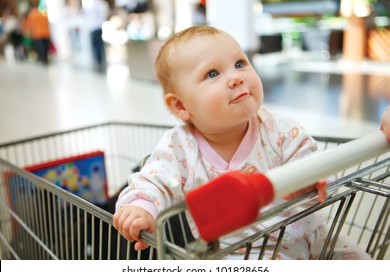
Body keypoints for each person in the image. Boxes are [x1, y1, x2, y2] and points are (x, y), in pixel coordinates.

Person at [113, 26, 370, 259]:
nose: (236, 77)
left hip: (312, 233)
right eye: (212, 73)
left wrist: (308, 178)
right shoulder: (179, 147)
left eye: (240, 63)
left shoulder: (278, 128)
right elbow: (152, 181)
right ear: (181, 105)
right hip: (244, 253)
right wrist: (141, 208)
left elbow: (311, 159)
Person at [83, 0, 109, 71]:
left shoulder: (101, 4)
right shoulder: (91, 4)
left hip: (98, 27)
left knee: (98, 45)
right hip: (92, 28)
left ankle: (99, 61)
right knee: (96, 45)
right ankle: (98, 61)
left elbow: (104, 15)